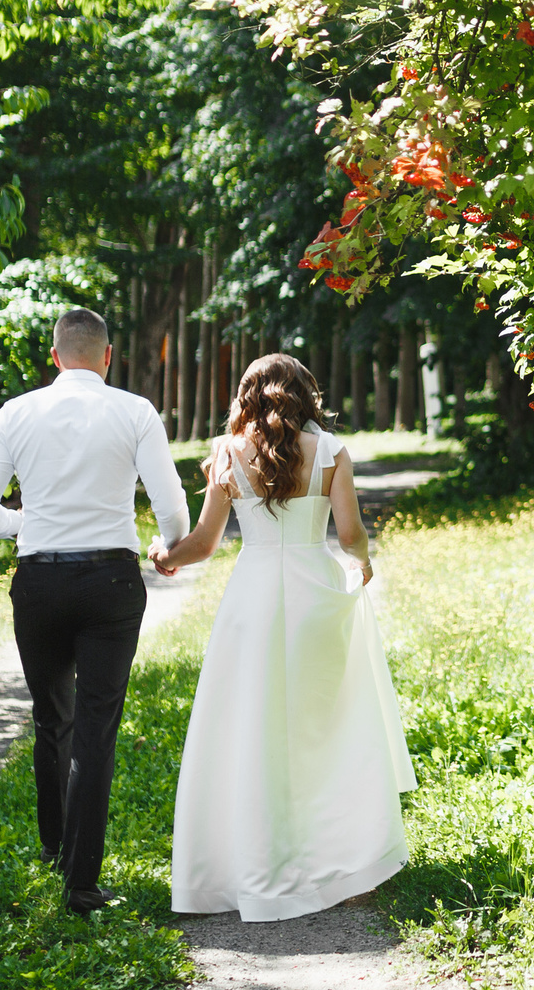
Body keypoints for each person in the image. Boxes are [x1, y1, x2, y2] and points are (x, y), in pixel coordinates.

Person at [153, 352, 416, 921]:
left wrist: (163, 555)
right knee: (325, 727)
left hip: (252, 601)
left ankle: (245, 860)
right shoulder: (331, 452)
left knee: (251, 727)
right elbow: (349, 533)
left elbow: (202, 543)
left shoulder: (227, 453)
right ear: (305, 395)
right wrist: (363, 563)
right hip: (314, 597)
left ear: (247, 397)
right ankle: (342, 860)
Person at [0, 308, 190, 915]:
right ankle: (82, 884)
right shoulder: (136, 411)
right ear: (107, 357)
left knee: (50, 719)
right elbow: (173, 510)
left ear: (55, 355)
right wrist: (167, 549)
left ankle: (54, 849)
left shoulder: (15, 413)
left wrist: (27, 525)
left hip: (38, 583)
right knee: (96, 728)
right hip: (111, 582)